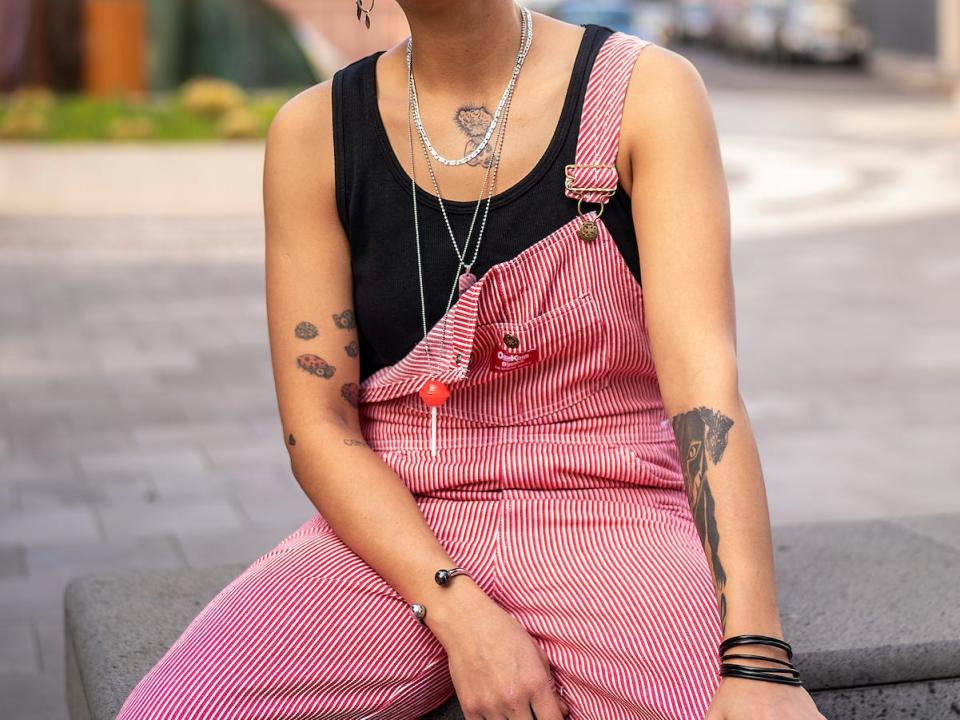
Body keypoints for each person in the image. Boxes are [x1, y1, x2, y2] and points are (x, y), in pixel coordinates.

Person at [114, 2, 829, 719]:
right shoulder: (316, 134)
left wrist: (756, 658)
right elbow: (318, 427)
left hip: (614, 509)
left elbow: (705, 388)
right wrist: (455, 610)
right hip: (396, 524)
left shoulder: (644, 92)